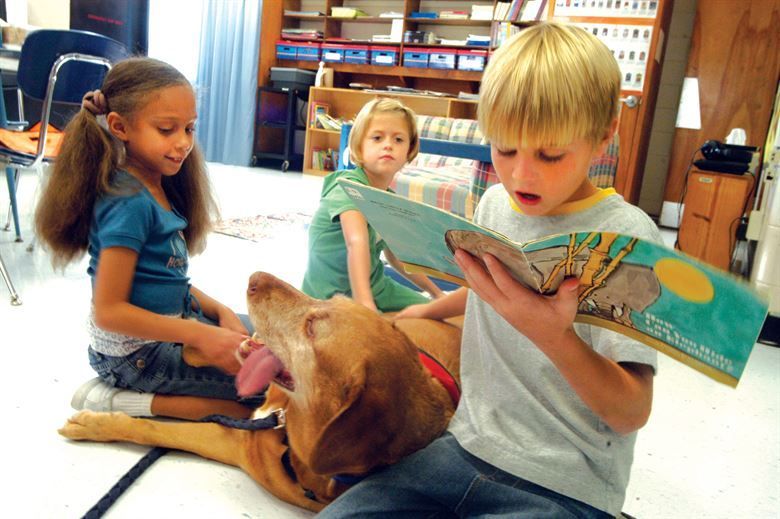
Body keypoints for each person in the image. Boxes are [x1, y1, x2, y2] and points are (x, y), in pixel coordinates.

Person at [318, 22, 662, 518]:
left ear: (605, 133)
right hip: (466, 448)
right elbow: (491, 290)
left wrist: (553, 336)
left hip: (565, 484)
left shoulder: (628, 239)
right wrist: (424, 308)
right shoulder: (496, 204)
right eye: (504, 149)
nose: (522, 174)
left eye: (550, 154)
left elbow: (631, 412)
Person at [35, 58, 255, 420]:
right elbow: (109, 312)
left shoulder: (157, 185)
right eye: (167, 129)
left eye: (189, 128)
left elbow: (165, 277)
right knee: (261, 395)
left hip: (172, 328)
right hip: (132, 357)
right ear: (120, 126)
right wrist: (201, 336)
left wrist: (221, 312)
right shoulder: (128, 203)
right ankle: (116, 400)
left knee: (274, 345)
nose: (184, 142)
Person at [301, 98, 444, 312]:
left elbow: (397, 256)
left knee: (440, 313)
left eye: (398, 139)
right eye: (377, 138)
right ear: (359, 145)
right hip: (328, 295)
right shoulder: (349, 188)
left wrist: (437, 294)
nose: (388, 145)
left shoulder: (388, 199)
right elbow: (355, 242)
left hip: (376, 287)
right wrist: (365, 305)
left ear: (409, 150)